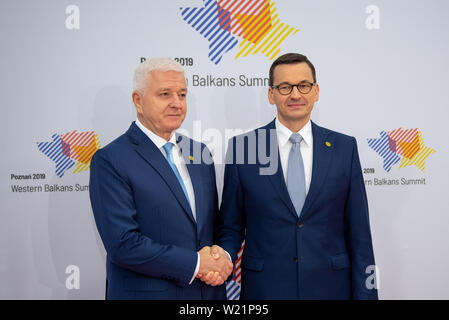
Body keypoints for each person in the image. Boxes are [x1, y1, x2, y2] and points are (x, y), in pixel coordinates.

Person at [218, 53, 378, 299]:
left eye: (303, 86)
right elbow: (231, 226)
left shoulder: (344, 148)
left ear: (316, 91)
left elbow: (359, 235)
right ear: (271, 94)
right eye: (284, 87)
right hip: (265, 291)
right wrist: (222, 260)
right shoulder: (243, 149)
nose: (295, 95)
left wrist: (367, 295)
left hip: (331, 289)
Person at [89, 58, 233, 299]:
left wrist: (222, 258)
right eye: (165, 94)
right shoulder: (111, 159)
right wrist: (197, 264)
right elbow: (123, 244)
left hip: (208, 295)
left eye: (182, 94)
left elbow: (214, 226)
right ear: (138, 101)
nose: (177, 104)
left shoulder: (200, 153)